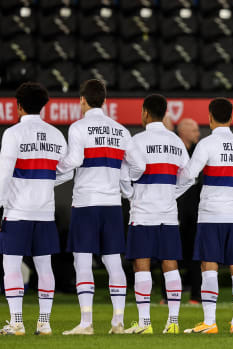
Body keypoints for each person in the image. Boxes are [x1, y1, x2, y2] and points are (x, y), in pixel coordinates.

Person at [59, 79, 146, 335]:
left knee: (83, 261)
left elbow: (74, 160)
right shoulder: (120, 130)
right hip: (111, 205)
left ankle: (86, 324)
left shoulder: (78, 127)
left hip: (86, 203)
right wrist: (123, 184)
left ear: (83, 100)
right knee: (113, 262)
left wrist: (52, 169)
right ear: (104, 101)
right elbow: (139, 166)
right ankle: (117, 322)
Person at [0, 82, 71, 335]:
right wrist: (47, 180)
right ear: (43, 106)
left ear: (18, 106)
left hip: (17, 211)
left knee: (11, 266)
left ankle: (16, 322)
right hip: (44, 212)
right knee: (45, 267)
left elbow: (4, 175)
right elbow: (66, 170)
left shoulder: (13, 134)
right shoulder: (55, 134)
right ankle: (45, 322)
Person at [180, 98, 233, 334]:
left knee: (208, 265)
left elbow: (189, 174)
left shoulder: (207, 144)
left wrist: (170, 192)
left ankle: (210, 322)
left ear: (210, 117)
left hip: (211, 214)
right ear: (231, 118)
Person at [120, 94, 189, 335]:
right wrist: (172, 193)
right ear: (164, 113)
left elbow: (124, 176)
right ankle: (173, 323)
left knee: (142, 265)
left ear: (146, 113)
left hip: (143, 212)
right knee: (170, 265)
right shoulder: (176, 141)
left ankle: (145, 324)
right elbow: (188, 177)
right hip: (168, 213)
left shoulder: (136, 141)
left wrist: (131, 195)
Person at [175, 117, 202, 304]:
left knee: (195, 255)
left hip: (194, 212)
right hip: (173, 210)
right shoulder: (174, 150)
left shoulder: (199, 152)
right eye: (194, 130)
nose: (197, 134)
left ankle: (196, 295)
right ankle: (167, 296)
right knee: (170, 254)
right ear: (182, 131)